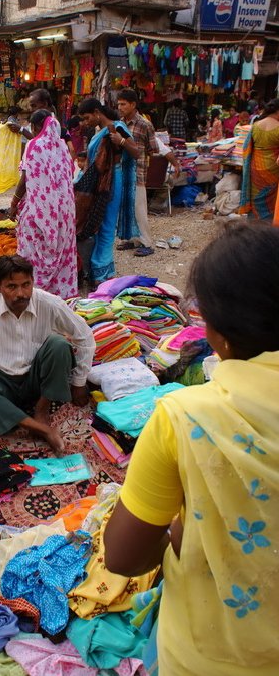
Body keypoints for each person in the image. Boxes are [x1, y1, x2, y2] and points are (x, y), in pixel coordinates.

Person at [103, 222, 279, 676]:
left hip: (210, 657)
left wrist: (183, 533)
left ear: (217, 332)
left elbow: (123, 556)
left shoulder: (184, 417)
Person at [0, 255, 95, 453]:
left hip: (37, 379)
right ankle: (39, 428)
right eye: (11, 287)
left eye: (26, 285)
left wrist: (79, 383)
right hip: (0, 379)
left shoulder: (49, 303)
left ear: (33, 282)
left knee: (58, 344)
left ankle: (42, 408)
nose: (20, 293)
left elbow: (85, 337)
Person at [10, 110, 78, 298]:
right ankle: (61, 294)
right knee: (61, 249)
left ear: (36, 127)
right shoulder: (63, 147)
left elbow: (25, 179)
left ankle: (36, 293)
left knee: (33, 251)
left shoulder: (34, 145)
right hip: (64, 210)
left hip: (40, 210)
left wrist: (14, 203)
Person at [76, 99, 139, 285]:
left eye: (87, 118)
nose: (85, 123)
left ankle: (101, 272)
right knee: (95, 223)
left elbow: (136, 152)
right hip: (99, 182)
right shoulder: (99, 132)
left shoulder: (117, 127)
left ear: (97, 112)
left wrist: (121, 141)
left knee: (106, 225)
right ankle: (97, 269)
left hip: (112, 181)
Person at [115, 88, 158, 257]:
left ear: (133, 104)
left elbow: (152, 149)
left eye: (123, 104)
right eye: (119, 104)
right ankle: (132, 239)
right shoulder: (120, 123)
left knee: (139, 208)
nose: (120, 107)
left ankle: (147, 242)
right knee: (126, 207)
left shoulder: (144, 124)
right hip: (122, 171)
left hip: (138, 172)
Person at [240, 98, 279, 221]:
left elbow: (246, 147)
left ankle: (254, 225)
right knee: (271, 200)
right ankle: (269, 227)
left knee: (256, 195)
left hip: (255, 167)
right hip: (273, 169)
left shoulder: (255, 125)